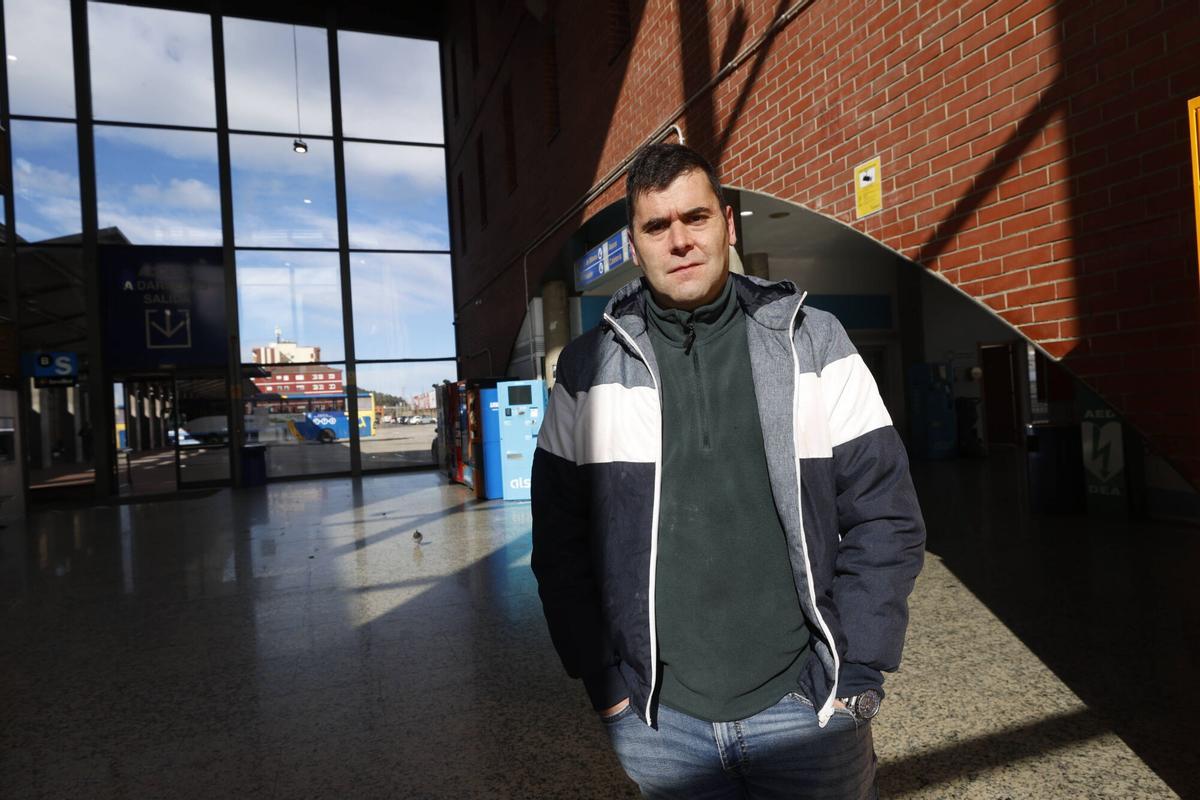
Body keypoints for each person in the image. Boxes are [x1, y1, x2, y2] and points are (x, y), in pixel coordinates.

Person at [531, 143, 925, 799]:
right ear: (634, 243)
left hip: (807, 715)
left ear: (728, 226)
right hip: (663, 726)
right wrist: (606, 689)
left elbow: (885, 514)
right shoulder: (585, 369)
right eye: (658, 226)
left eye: (696, 218)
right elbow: (560, 543)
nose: (680, 240)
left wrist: (855, 672)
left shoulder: (815, 341)